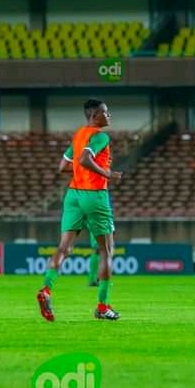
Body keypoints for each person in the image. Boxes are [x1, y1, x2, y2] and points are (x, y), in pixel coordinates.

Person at [37, 99, 122, 321]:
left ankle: (46, 289)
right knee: (106, 250)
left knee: (64, 247)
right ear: (94, 115)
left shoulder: (78, 136)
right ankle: (103, 306)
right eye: (105, 112)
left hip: (73, 194)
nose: (109, 116)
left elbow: (63, 167)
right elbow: (85, 159)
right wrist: (107, 174)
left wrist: (83, 172)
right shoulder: (100, 136)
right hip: (94, 195)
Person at [57, 150, 100, 287]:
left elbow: (63, 167)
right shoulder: (94, 157)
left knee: (97, 246)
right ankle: (94, 278)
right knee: (98, 245)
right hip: (90, 202)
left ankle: (94, 278)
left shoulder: (79, 151)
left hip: (85, 201)